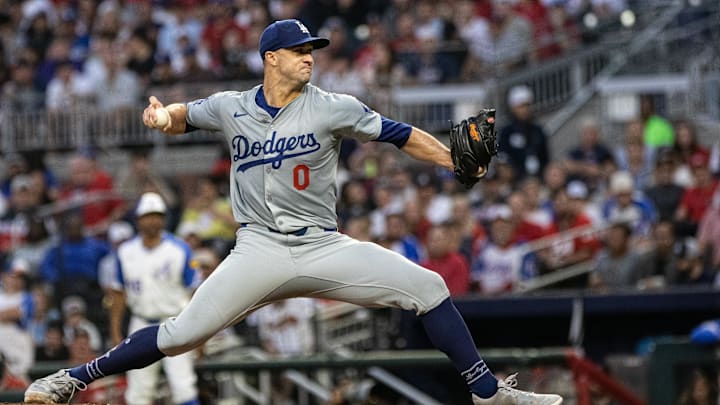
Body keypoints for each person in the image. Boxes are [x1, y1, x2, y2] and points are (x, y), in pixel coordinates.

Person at [24, 19, 562, 405]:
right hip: (258, 247)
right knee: (183, 334)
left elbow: (399, 135)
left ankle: (487, 393)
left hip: (322, 243)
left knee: (427, 287)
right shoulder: (233, 106)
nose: (310, 56)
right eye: (300, 49)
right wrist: (163, 117)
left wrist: (452, 160)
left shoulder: (332, 105)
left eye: (313, 49)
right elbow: (185, 114)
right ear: (271, 58)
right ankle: (71, 379)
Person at [108, 192, 201, 405]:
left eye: (157, 215)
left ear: (163, 218)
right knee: (139, 392)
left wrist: (199, 331)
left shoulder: (179, 248)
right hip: (140, 322)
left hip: (175, 321)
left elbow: (195, 290)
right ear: (138, 219)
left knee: (184, 388)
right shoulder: (125, 251)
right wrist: (115, 332)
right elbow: (119, 294)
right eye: (147, 215)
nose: (152, 220)